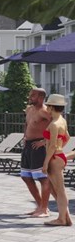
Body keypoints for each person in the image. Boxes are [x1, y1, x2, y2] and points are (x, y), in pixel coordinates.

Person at [20, 87, 52, 217]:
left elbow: (58, 126)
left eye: (33, 95)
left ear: (41, 97)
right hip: (28, 146)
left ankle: (44, 209)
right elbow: (27, 124)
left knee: (43, 178)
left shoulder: (45, 112)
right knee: (26, 176)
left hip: (38, 147)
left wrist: (44, 141)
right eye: (30, 95)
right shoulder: (29, 109)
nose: (30, 97)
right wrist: (24, 136)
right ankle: (40, 206)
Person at [43, 94, 71, 226]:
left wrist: (45, 162)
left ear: (52, 107)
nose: (46, 108)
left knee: (60, 190)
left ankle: (62, 219)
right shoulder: (62, 120)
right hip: (59, 156)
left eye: (47, 105)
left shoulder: (54, 124)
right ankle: (65, 217)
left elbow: (52, 146)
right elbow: (67, 137)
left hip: (54, 158)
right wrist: (60, 148)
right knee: (57, 189)